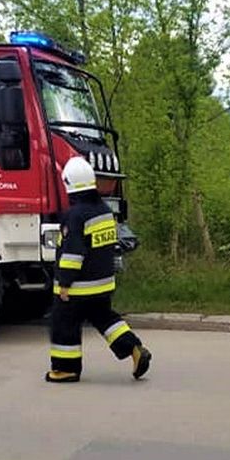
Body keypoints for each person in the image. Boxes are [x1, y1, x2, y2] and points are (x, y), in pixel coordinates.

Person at [47, 157, 151, 383]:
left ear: (69, 184)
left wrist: (64, 283)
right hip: (103, 284)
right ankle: (135, 349)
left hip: (78, 288)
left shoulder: (74, 216)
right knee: (105, 319)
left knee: (64, 324)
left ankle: (66, 369)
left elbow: (73, 254)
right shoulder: (104, 210)